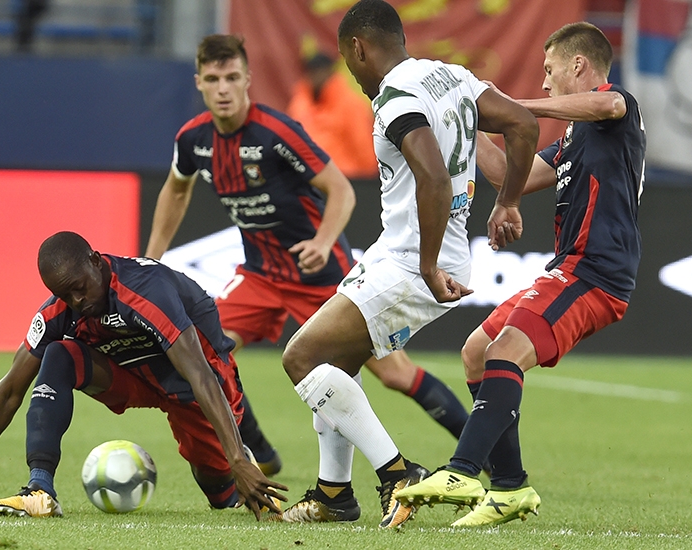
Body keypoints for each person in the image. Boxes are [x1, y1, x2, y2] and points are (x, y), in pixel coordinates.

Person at [146, 34, 475, 491]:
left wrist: (322, 241)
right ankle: (261, 453)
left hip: (319, 273)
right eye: (214, 79)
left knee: (395, 374)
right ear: (199, 82)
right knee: (203, 352)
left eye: (233, 78)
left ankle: (477, 453)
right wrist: (153, 259)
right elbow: (176, 189)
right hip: (260, 274)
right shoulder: (193, 139)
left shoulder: (276, 132)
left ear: (248, 80)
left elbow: (339, 189)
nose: (224, 88)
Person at [279, 0, 539, 529]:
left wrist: (425, 266)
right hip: (402, 252)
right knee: (336, 367)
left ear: (358, 49)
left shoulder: (396, 97)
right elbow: (523, 122)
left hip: (414, 262)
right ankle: (334, 493)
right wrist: (508, 200)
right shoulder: (449, 76)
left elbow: (436, 179)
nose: (352, 75)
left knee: (302, 359)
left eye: (349, 63)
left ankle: (397, 474)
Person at [396, 21, 646, 527]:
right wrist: (461, 123)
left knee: (506, 348)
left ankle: (463, 471)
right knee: (475, 352)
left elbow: (607, 105)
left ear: (579, 64)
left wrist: (517, 107)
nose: (547, 83)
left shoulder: (617, 108)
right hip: (569, 268)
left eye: (550, 71)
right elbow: (511, 173)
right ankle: (510, 488)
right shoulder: (577, 135)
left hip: (596, 274)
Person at [0, 231, 287, 520]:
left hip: (194, 385)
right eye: (64, 294)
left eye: (80, 287)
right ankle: (40, 488)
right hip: (132, 375)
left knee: (221, 493)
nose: (77, 300)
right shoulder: (60, 312)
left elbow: (201, 375)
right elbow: (7, 392)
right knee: (58, 354)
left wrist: (237, 459)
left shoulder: (146, 290)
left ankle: (240, 467)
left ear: (96, 262)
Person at [286, 51, 378, 180]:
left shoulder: (350, 104)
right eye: (312, 71)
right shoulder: (299, 104)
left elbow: (365, 151)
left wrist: (365, 187)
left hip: (347, 181)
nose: (316, 75)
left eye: (320, 70)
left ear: (330, 71)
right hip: (307, 182)